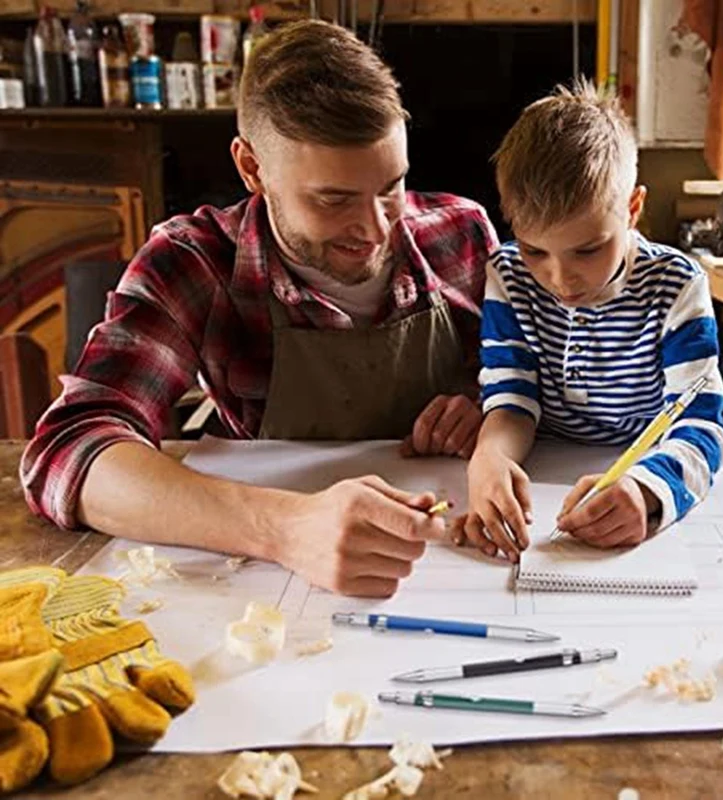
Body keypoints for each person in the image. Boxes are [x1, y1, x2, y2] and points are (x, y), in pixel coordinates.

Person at [20, 20, 499, 598]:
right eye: (334, 199)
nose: (376, 229)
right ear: (253, 169)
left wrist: (490, 408)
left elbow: (544, 391)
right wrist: (286, 528)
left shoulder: (464, 234)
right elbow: (70, 451)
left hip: (454, 566)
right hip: (272, 583)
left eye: (391, 187)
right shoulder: (195, 262)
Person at [463, 79, 723, 562]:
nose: (560, 279)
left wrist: (647, 492)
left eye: (587, 250)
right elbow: (512, 396)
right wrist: (490, 459)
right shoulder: (508, 273)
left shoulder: (677, 286)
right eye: (535, 249)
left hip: (639, 466)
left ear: (632, 209)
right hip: (544, 475)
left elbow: (700, 423)